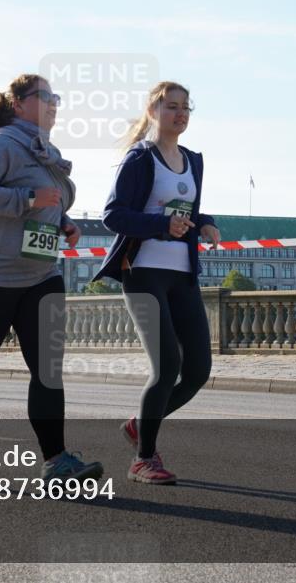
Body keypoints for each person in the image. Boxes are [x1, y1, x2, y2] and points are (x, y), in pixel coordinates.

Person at [0, 73, 103, 485]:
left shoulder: (47, 150)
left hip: (39, 274)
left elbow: (46, 200)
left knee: (47, 369)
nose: (53, 105)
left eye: (55, 98)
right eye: (45, 97)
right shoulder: (2, 144)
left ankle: (56, 462)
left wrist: (63, 222)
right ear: (19, 103)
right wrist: (27, 199)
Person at [93, 81, 221, 484]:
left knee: (198, 370)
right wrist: (161, 225)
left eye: (186, 108)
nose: (180, 114)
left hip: (182, 275)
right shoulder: (140, 159)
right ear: (153, 111)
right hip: (143, 271)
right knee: (167, 368)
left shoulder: (192, 160)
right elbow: (113, 216)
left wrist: (205, 224)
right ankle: (143, 459)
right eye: (171, 107)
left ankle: (138, 425)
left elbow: (188, 211)